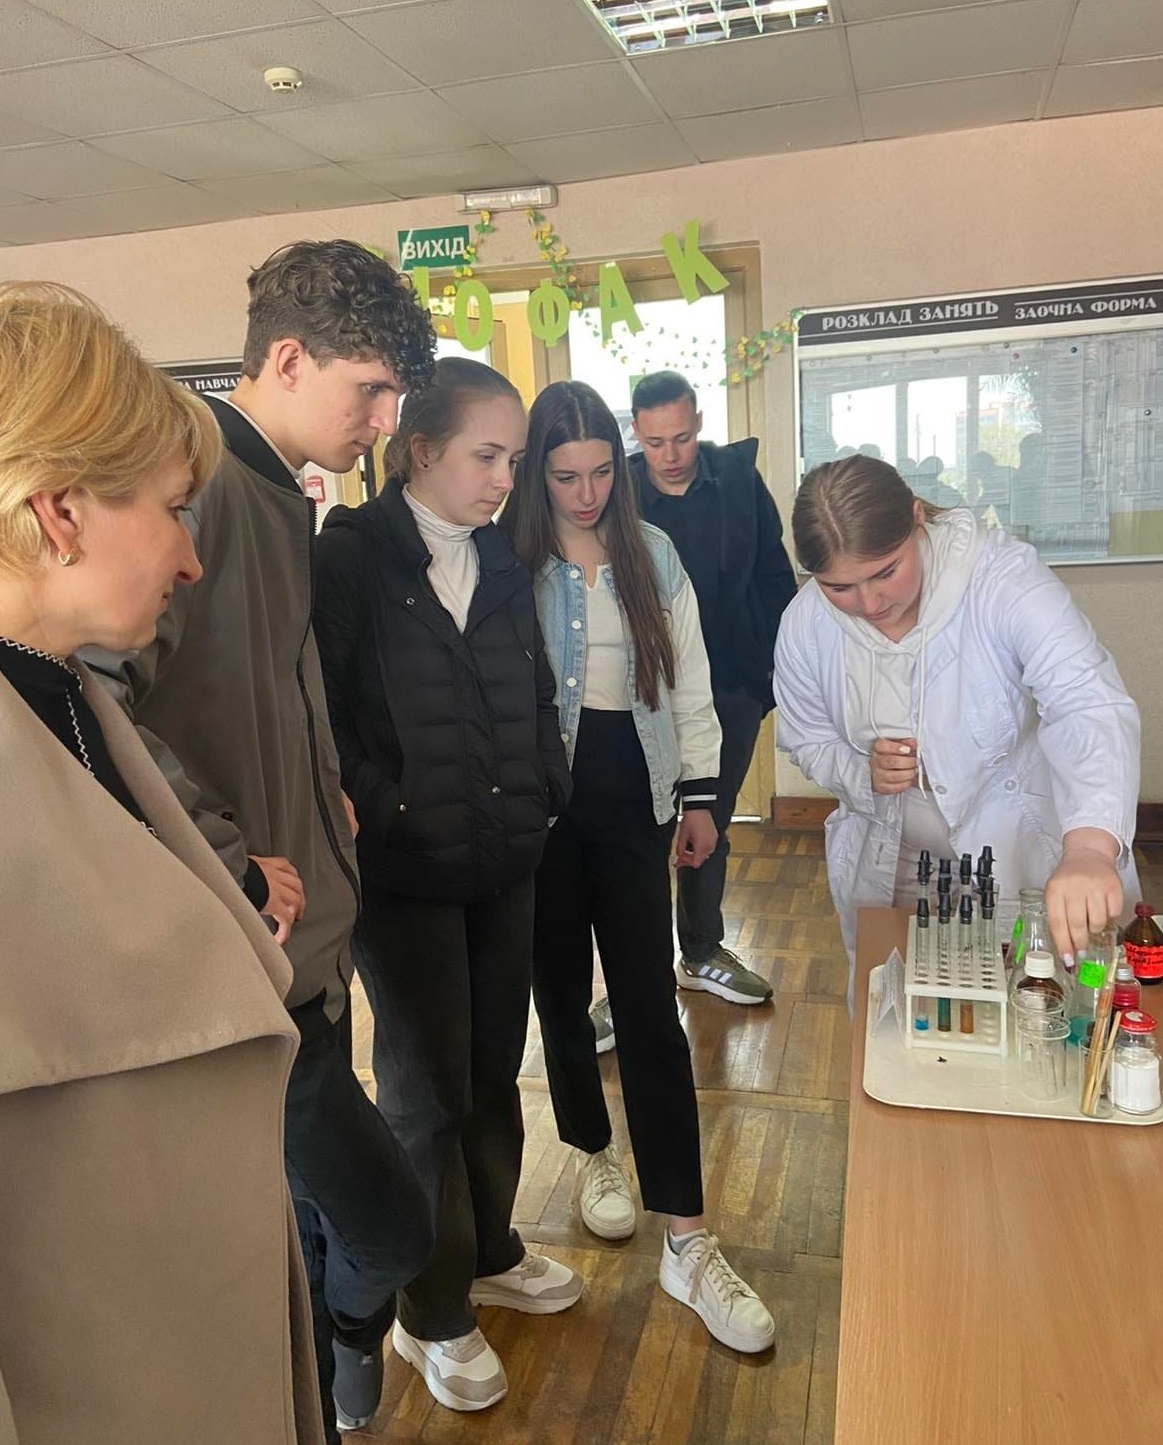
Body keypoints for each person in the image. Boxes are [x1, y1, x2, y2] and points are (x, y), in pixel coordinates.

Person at [85, 241, 437, 1441]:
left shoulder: (279, 489)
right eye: (369, 391)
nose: (383, 424)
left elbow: (272, 684)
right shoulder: (199, 486)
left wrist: (322, 784)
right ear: (285, 359)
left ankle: (319, 1396)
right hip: (248, 951)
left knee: (307, 1211)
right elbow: (92, 695)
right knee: (387, 1224)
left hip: (304, 939)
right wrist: (225, 853)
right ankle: (334, 1374)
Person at [0, 282, 323, 1444]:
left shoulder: (70, 699)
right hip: (97, 1379)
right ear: (60, 511)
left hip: (184, 1337)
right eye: (174, 511)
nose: (191, 559)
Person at [312, 358, 581, 1414]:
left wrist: (546, 786)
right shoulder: (352, 556)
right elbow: (324, 714)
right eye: (487, 456)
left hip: (504, 858)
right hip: (406, 873)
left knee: (491, 1071)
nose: (506, 480)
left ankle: (488, 1246)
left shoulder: (500, 555)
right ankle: (429, 1310)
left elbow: (535, 686)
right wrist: (390, 805)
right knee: (424, 1093)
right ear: (419, 450)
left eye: (514, 460)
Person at [504, 379, 776, 1356]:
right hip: (539, 803)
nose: (585, 494)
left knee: (650, 1009)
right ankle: (591, 1151)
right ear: (536, 475)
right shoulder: (508, 560)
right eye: (563, 476)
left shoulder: (650, 553)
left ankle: (687, 1236)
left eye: (597, 473)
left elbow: (688, 681)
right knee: (557, 991)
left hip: (633, 796)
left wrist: (700, 797)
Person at [773, 455, 1140, 1003]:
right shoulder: (805, 623)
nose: (869, 603)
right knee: (903, 1015)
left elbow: (1086, 701)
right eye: (839, 587)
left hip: (1021, 845)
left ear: (917, 519)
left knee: (1042, 1003)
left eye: (885, 572)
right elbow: (807, 738)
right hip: (897, 855)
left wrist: (1089, 847)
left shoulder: (1000, 578)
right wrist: (860, 770)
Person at [627, 370, 796, 1008]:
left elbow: (775, 577)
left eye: (680, 438)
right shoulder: (617, 493)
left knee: (708, 824)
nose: (669, 455)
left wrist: (768, 674)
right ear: (636, 435)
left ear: (698, 422)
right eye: (654, 443)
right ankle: (634, 974)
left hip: (730, 685)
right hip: (640, 692)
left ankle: (699, 951)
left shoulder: (739, 483)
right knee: (639, 834)